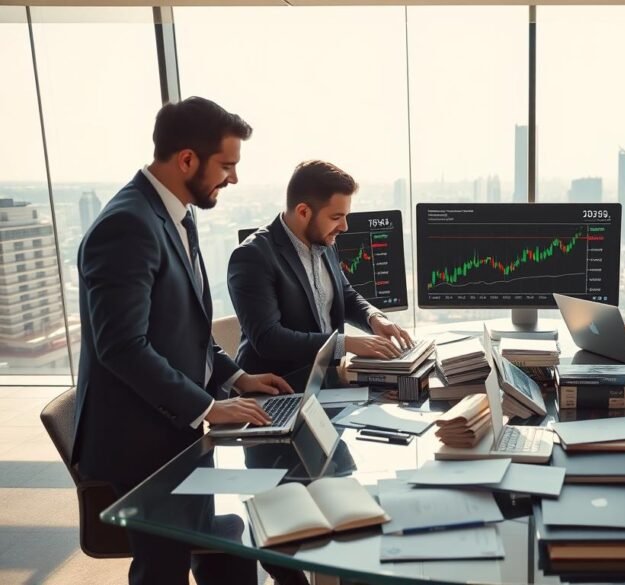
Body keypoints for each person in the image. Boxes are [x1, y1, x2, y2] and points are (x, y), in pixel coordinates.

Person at [73, 97, 294, 585]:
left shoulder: (176, 214)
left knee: (227, 548)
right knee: (164, 573)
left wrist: (237, 377)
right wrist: (208, 407)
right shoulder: (127, 226)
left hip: (175, 431)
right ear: (188, 159)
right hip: (139, 446)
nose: (233, 179)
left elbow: (185, 329)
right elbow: (122, 347)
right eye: (227, 166)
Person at [228, 160, 413, 378]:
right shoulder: (252, 257)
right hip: (280, 387)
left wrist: (373, 318)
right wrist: (345, 344)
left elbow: (344, 294)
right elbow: (269, 339)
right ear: (303, 212)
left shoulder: (323, 239)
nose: (344, 227)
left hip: (326, 381)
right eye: (336, 217)